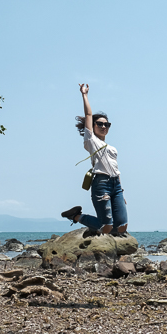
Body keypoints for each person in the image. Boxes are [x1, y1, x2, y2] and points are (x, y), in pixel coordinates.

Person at [61, 84, 128, 236]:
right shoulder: (90, 140)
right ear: (93, 126)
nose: (104, 126)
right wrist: (84, 95)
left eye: (107, 124)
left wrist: (121, 192)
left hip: (116, 185)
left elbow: (116, 170)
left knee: (122, 226)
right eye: (100, 124)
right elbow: (89, 115)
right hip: (101, 184)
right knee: (106, 227)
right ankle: (75, 216)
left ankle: (93, 225)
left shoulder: (112, 148)